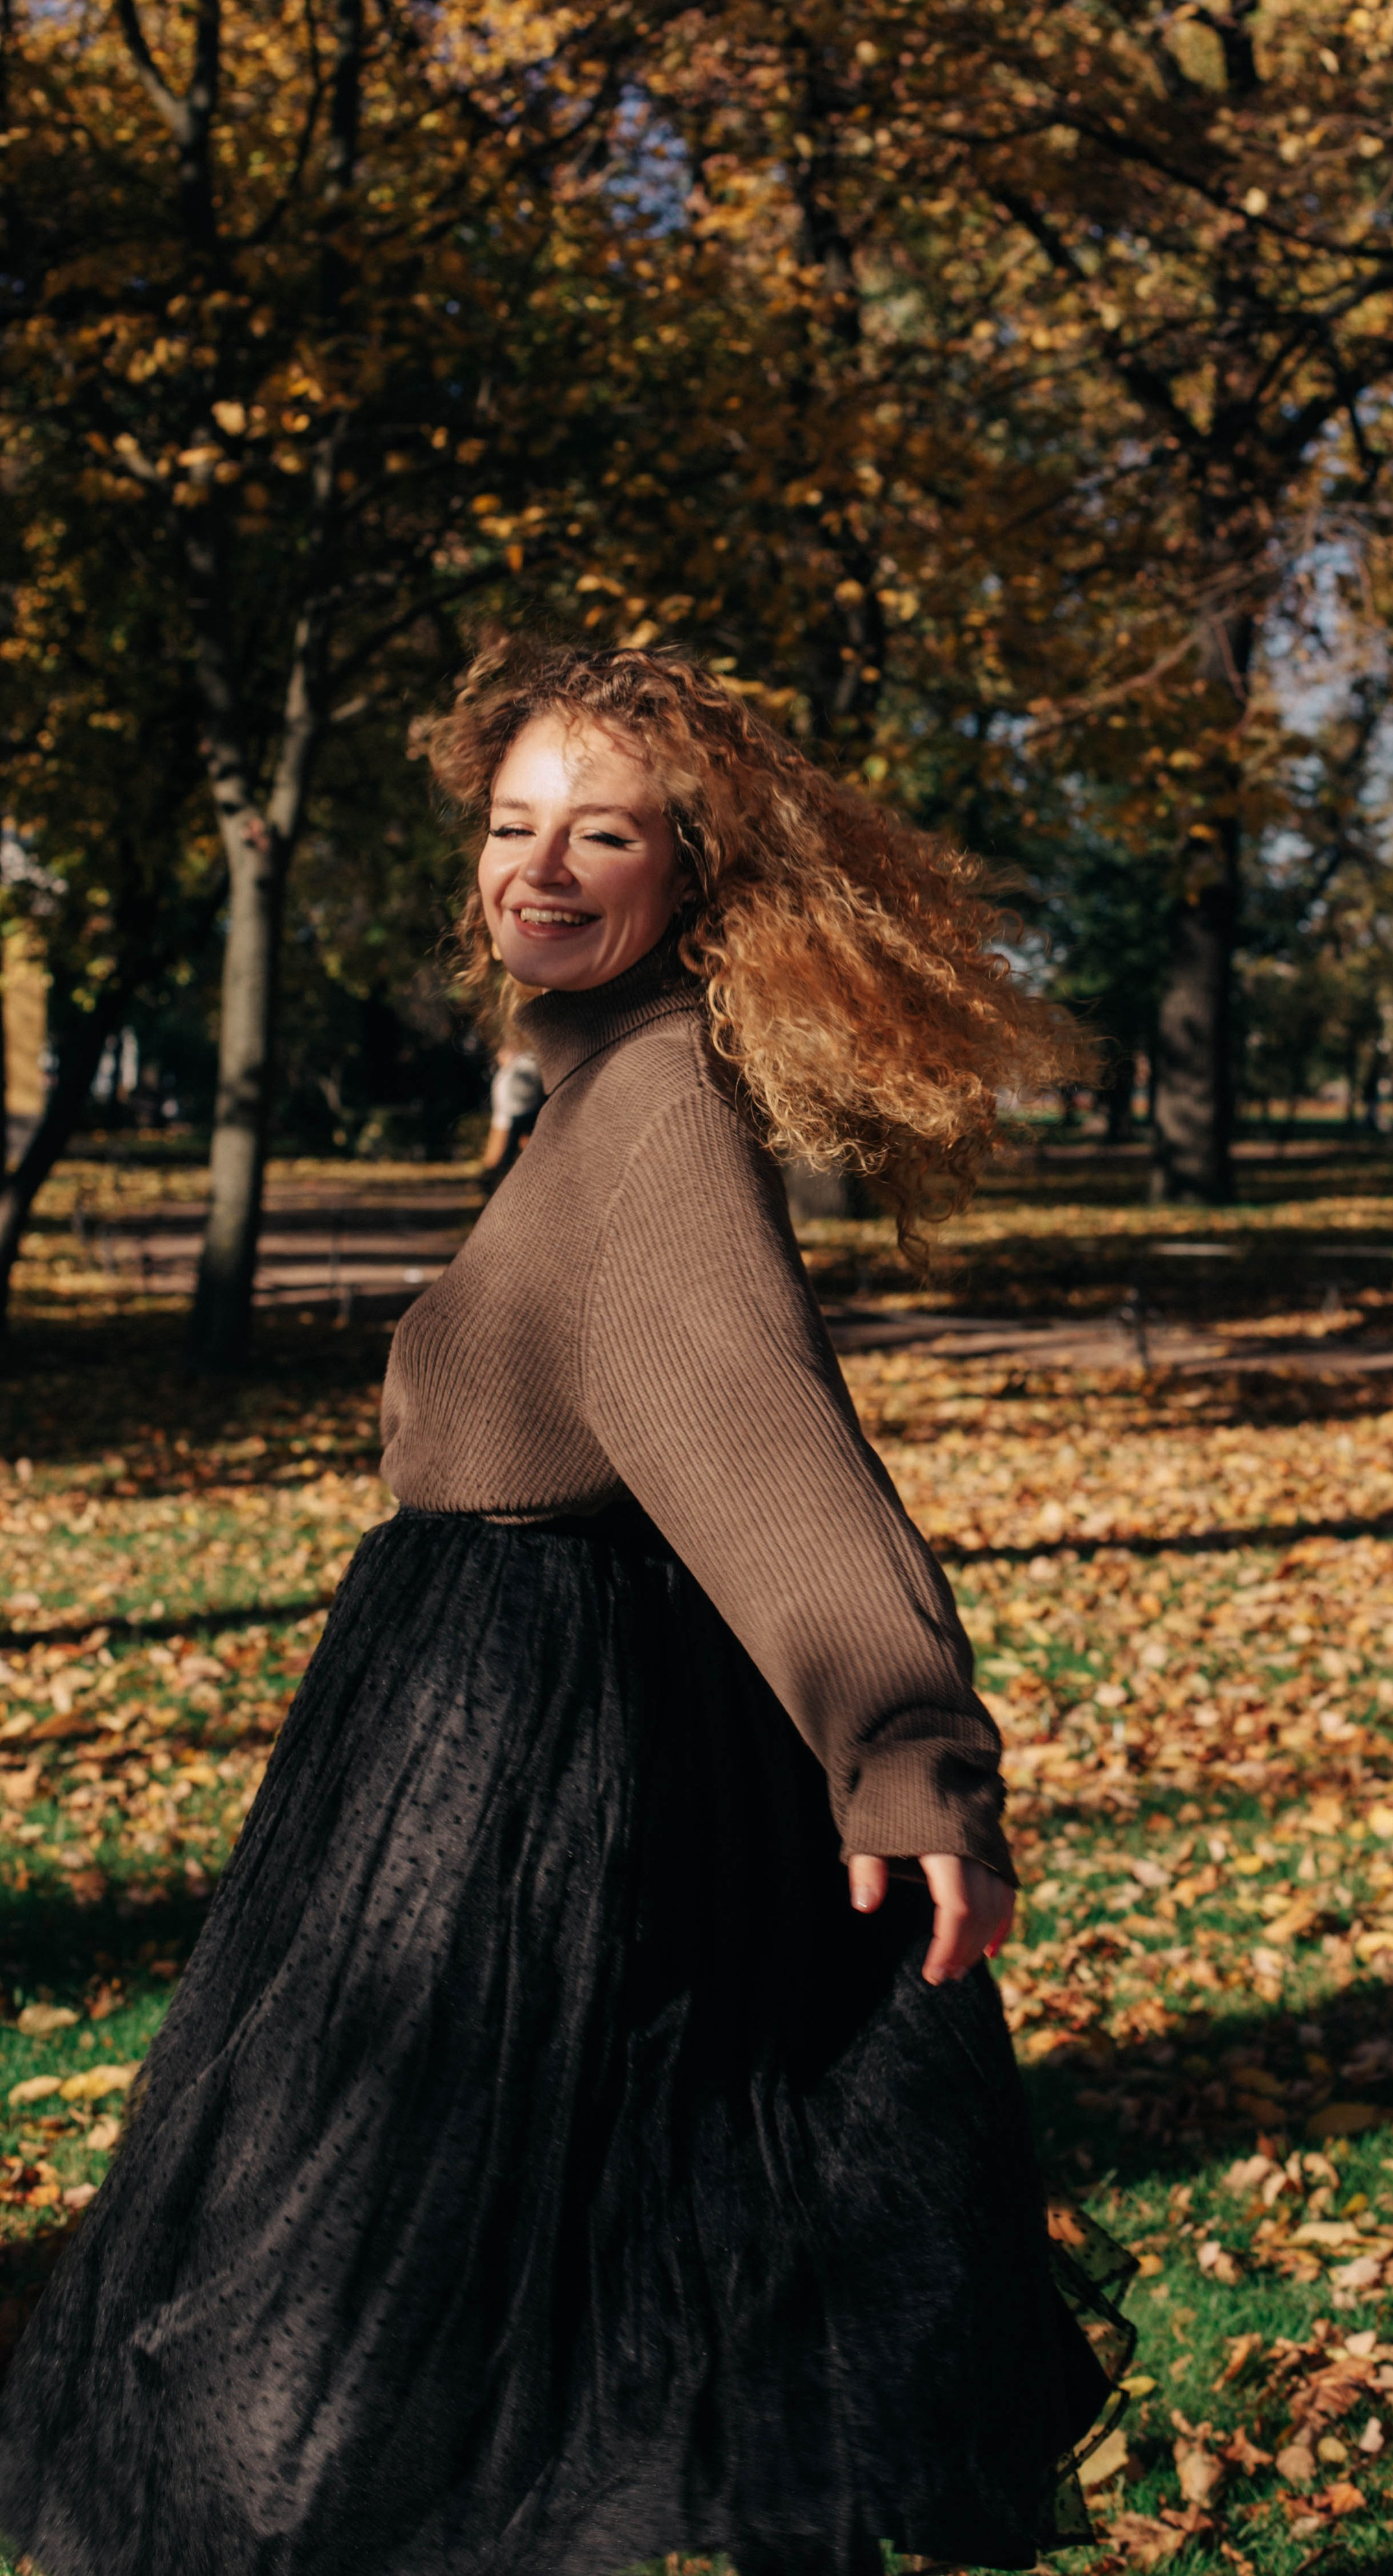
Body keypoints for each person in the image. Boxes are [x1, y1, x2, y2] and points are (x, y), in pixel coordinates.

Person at [0, 638, 1132, 2576]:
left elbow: (748, 1424)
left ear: (695, 871)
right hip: (518, 1690)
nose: (536, 867)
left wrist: (905, 1746)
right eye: (512, 824)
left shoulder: (660, 1099)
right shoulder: (606, 1073)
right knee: (498, 2204)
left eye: (598, 830)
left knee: (364, 2216)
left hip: (520, 1718)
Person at [479, 1041, 545, 1194]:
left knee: (510, 1156)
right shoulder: (512, 1071)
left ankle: (492, 1184)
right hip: (516, 1116)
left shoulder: (518, 1070)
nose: (498, 1058)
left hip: (519, 1116)